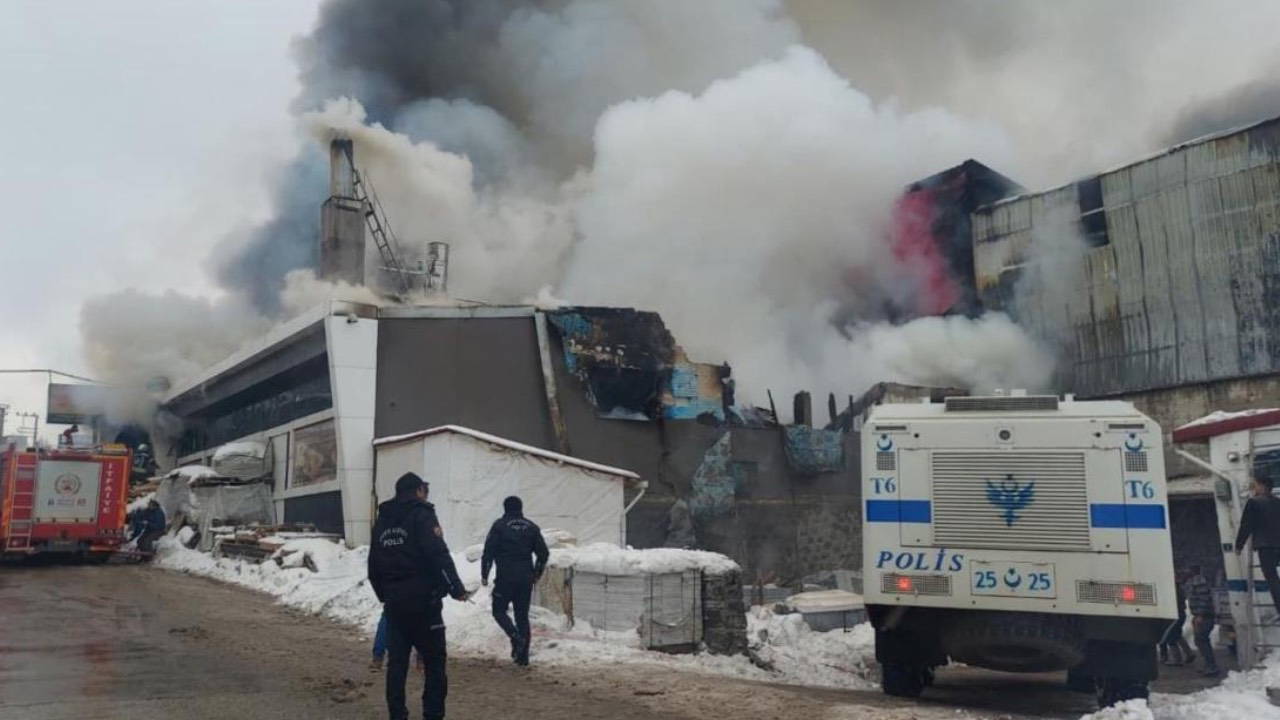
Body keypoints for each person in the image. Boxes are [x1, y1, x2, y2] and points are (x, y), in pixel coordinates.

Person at [368, 472, 468, 720]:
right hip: (425, 603)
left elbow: (373, 565)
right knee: (435, 665)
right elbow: (438, 554)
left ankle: (397, 714)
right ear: (418, 491)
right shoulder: (422, 514)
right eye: (425, 488)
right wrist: (455, 587)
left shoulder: (382, 521)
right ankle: (432, 714)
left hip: (395, 604)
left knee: (397, 665)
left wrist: (385, 594)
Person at [481, 496, 549, 666]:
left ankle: (515, 636)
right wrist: (536, 573)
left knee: (499, 610)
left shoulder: (499, 526)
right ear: (521, 508)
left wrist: (485, 574)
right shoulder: (532, 527)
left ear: (505, 508)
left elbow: (488, 552)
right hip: (525, 578)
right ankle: (523, 657)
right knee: (522, 616)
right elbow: (543, 553)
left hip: (505, 577)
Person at [1236, 453, 1280, 616]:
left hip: (1265, 546)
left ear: (1261, 486)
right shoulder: (1278, 502)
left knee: (1272, 578)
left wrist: (1239, 545)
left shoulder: (1254, 502)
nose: (1253, 488)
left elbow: (1246, 525)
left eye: (1255, 485)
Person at [1185, 564, 1220, 677]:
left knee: (1201, 640)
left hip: (1204, 616)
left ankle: (1211, 666)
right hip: (1201, 615)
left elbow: (1204, 599)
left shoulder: (1198, 582)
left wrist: (1200, 614)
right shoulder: (1194, 581)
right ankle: (1209, 665)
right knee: (1200, 640)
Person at [1159, 568, 1195, 666]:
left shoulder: (1172, 589)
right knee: (1177, 634)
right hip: (1179, 614)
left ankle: (1177, 659)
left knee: (1170, 637)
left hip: (1175, 615)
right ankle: (1189, 653)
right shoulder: (1177, 587)